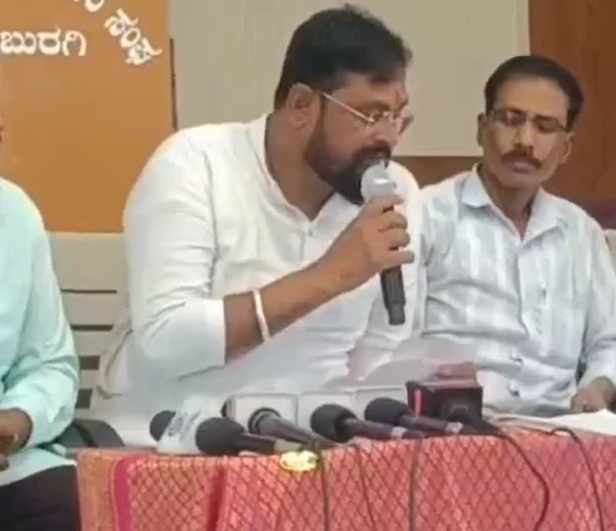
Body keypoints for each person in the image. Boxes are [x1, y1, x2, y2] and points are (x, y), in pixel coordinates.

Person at [92, 4, 421, 442]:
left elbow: (383, 349)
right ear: (301, 105)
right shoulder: (195, 164)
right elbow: (165, 340)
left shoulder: (396, 190)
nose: (388, 137)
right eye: (371, 116)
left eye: (397, 117)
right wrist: (331, 275)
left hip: (314, 446)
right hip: (167, 443)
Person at [417, 55, 616, 417]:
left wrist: (598, 387)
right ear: (482, 129)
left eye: (545, 127)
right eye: (511, 120)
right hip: (458, 425)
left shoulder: (581, 231)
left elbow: (610, 340)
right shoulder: (427, 215)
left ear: (566, 147)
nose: (525, 141)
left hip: (565, 428)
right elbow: (388, 343)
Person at [0, 117, 81, 528]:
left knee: (71, 503)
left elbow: (49, 364)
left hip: (7, 471)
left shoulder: (12, 213)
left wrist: (17, 421)